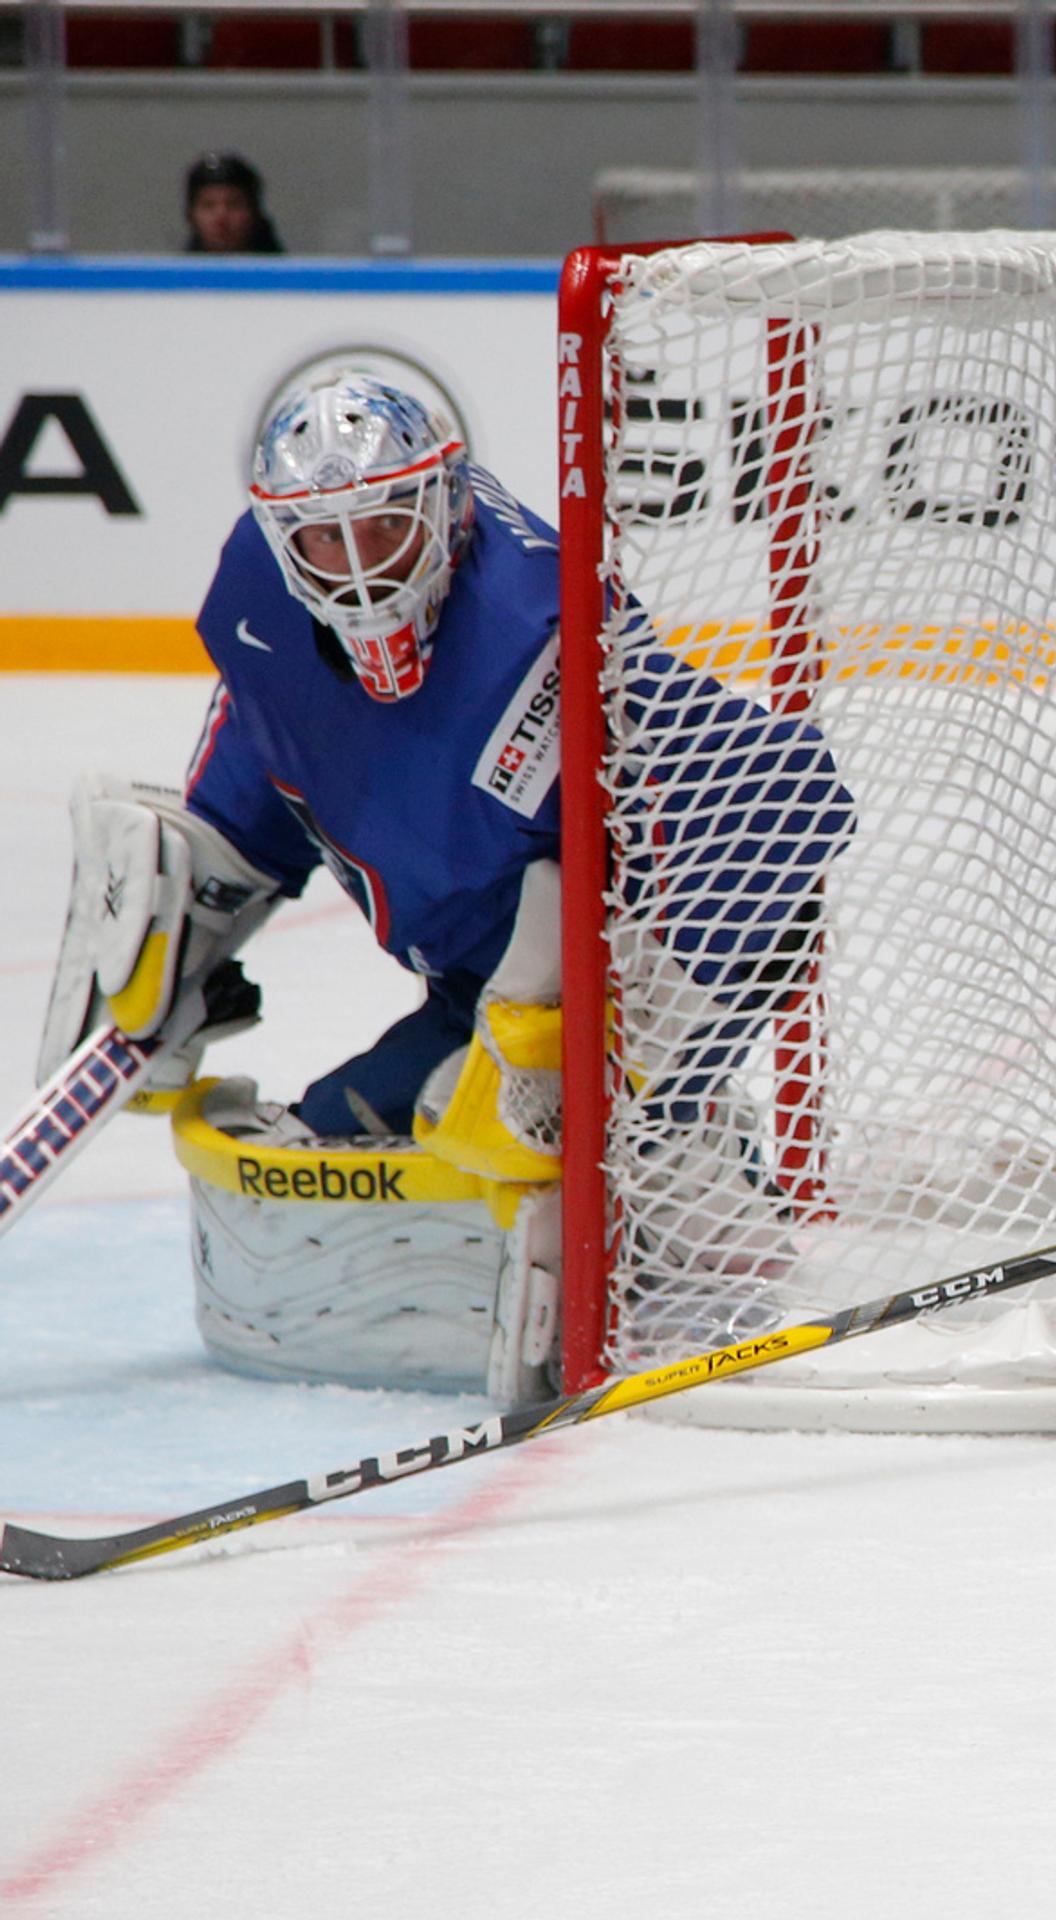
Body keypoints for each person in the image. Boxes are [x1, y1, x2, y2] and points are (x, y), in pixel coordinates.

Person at [38, 373, 850, 1403]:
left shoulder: (546, 630)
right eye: (324, 539)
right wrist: (192, 911)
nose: (358, 565)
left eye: (384, 525)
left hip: (579, 998)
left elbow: (785, 804)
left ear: (445, 505)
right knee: (332, 1150)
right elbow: (272, 746)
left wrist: (618, 1064)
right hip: (472, 989)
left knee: (712, 1259)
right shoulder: (259, 599)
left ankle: (685, 1148)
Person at [182, 151, 284, 255]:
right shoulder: (178, 270)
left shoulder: (282, 269)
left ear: (254, 212)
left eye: (234, 205)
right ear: (191, 215)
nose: (221, 217)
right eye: (208, 205)